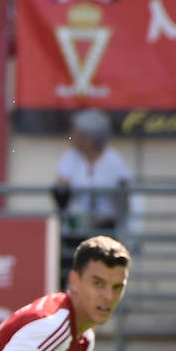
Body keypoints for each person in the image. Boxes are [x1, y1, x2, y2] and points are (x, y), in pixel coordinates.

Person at [52, 109, 133, 280]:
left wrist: (106, 218)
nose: (72, 136)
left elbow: (124, 200)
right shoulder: (71, 158)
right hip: (75, 228)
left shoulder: (114, 162)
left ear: (90, 138)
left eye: (76, 133)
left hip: (105, 227)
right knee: (68, 262)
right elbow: (60, 189)